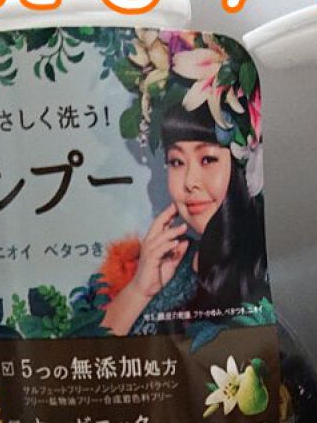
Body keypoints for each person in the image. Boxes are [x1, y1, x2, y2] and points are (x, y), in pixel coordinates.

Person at [99, 101, 268, 336]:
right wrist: (140, 289)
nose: (189, 182)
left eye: (207, 159)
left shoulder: (269, 266)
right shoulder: (170, 265)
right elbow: (88, 354)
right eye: (176, 162)